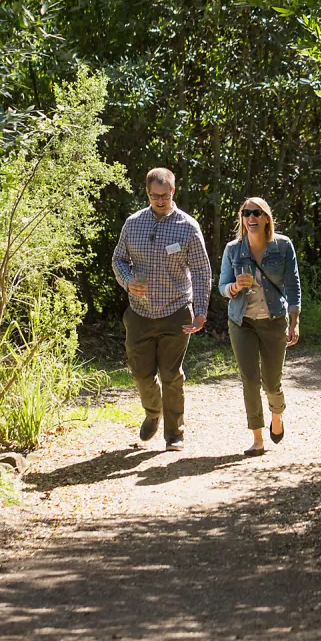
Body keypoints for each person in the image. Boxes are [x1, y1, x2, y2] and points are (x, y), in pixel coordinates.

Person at [111, 168, 211, 451]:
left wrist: (201, 310)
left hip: (176, 310)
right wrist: (129, 282)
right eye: (155, 196)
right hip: (140, 313)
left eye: (164, 195)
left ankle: (174, 434)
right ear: (147, 193)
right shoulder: (133, 224)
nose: (160, 201)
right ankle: (153, 411)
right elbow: (118, 259)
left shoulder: (187, 226)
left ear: (173, 192)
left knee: (171, 374)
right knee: (142, 375)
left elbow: (202, 271)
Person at [217, 197, 302, 456]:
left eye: (256, 213)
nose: (251, 217)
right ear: (242, 218)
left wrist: (295, 321)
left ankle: (277, 415)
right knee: (250, 380)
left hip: (275, 321)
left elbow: (293, 285)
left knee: (271, 382)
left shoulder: (283, 246)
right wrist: (234, 287)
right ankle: (257, 438)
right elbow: (222, 286)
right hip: (241, 322)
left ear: (266, 218)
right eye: (246, 213)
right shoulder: (233, 249)